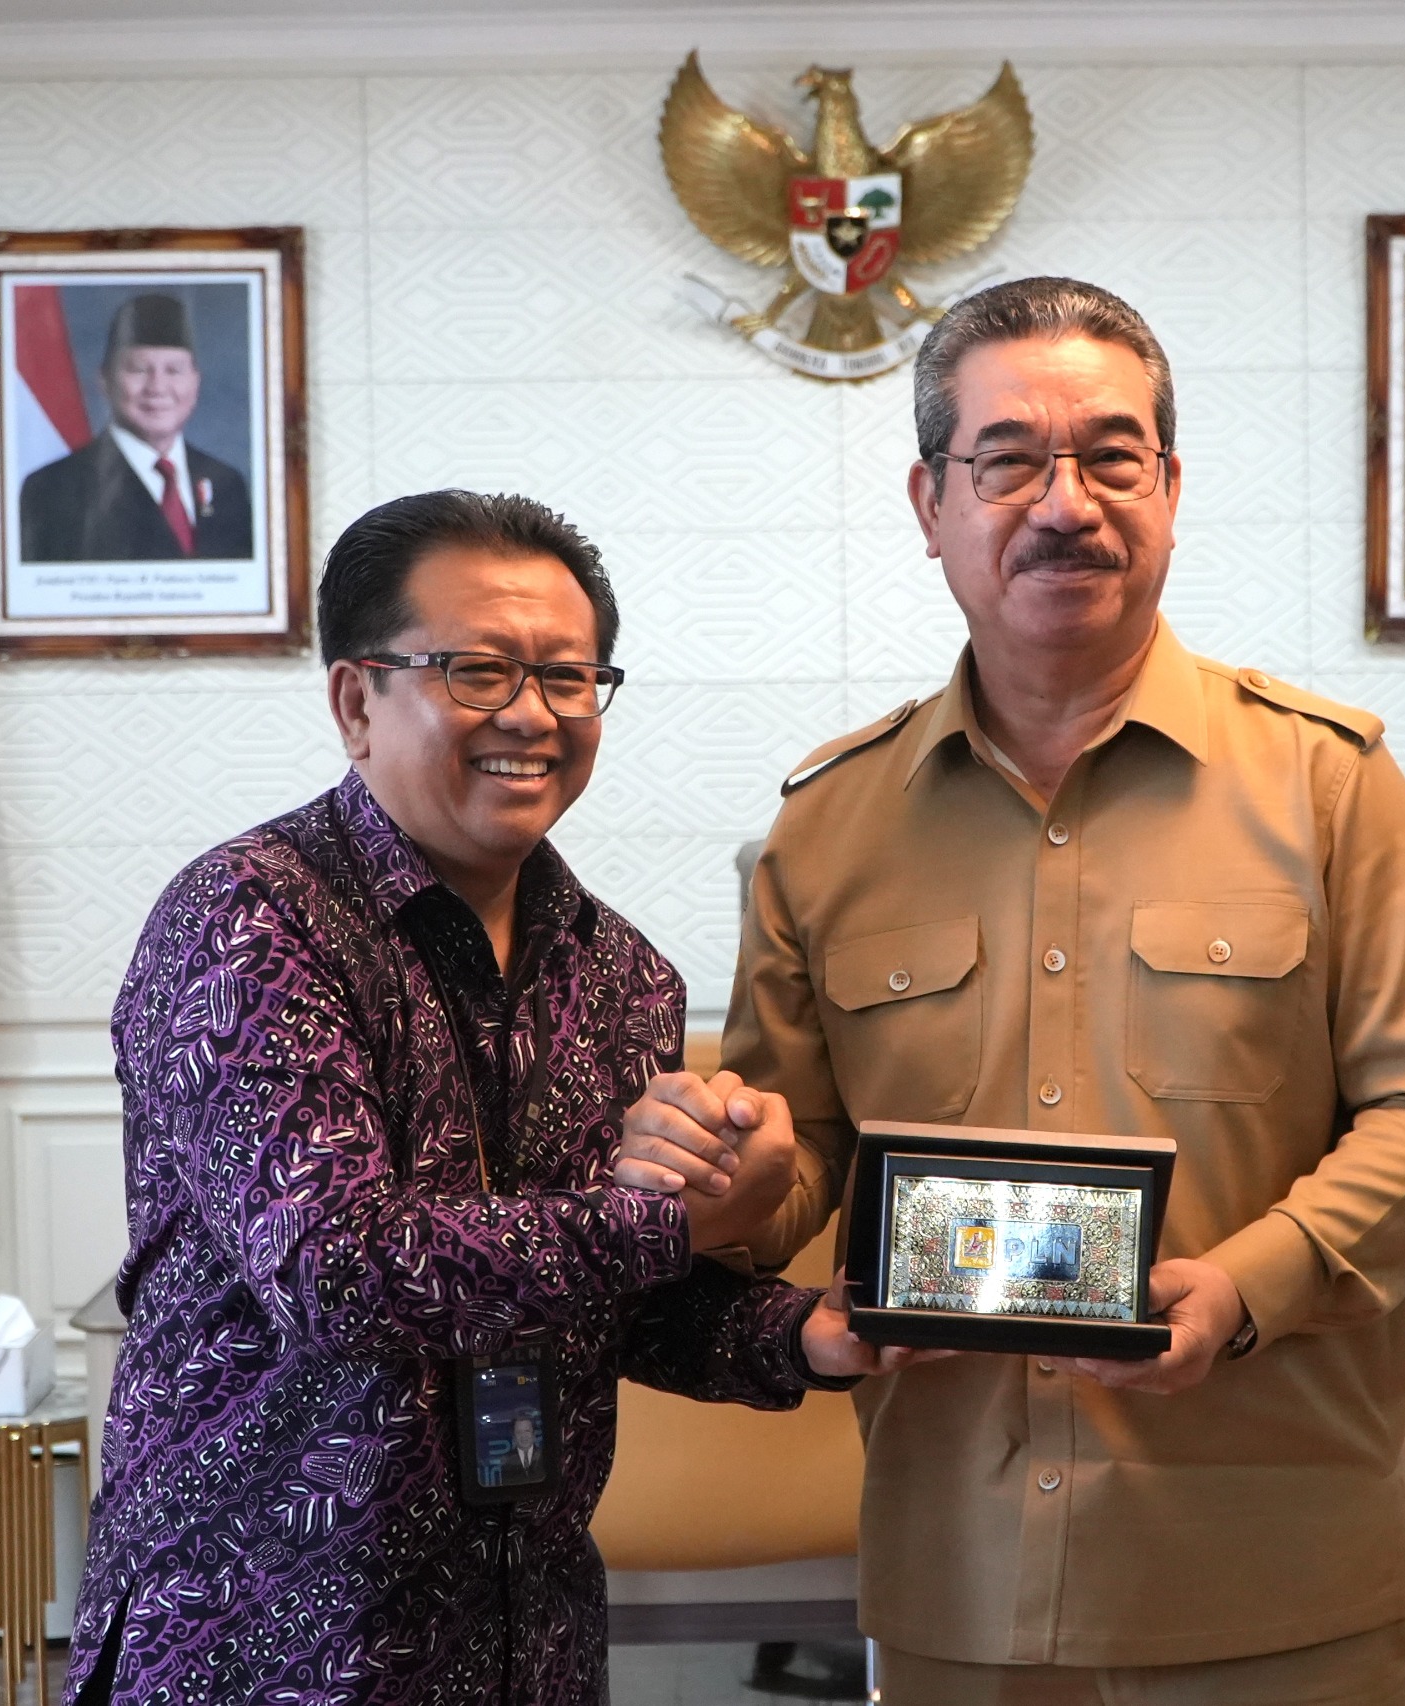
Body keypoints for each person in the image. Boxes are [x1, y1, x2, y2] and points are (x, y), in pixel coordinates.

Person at [622, 278, 1405, 1703]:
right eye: (1007, 461)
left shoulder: (1330, 785)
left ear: (1170, 489)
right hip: (957, 1579)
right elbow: (799, 1168)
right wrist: (731, 1178)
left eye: (1111, 457)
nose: (1065, 503)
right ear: (930, 502)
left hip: (1267, 1571)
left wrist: (1245, 1285)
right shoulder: (828, 825)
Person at [66, 490, 889, 1706]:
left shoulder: (620, 973)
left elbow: (600, 1298)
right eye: (478, 670)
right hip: (258, 1635)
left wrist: (803, 1334)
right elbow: (334, 1267)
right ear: (356, 701)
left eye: (568, 676)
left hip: (525, 1637)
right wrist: (662, 1223)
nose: (532, 714)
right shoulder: (251, 920)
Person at [17, 292, 255, 562]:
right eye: (138, 369)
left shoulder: (226, 485)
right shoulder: (53, 490)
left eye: (174, 370)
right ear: (104, 380)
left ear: (195, 382)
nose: (157, 387)